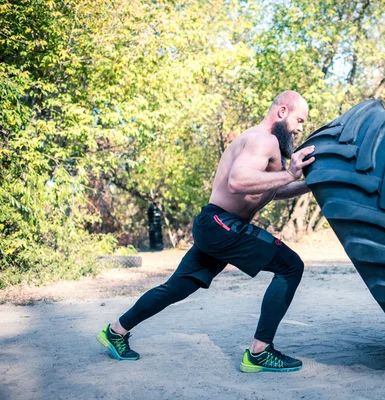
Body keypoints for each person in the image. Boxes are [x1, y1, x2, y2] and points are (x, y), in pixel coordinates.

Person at [96, 90, 316, 373]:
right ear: (282, 111)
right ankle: (259, 352)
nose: (299, 128)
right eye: (299, 120)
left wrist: (311, 184)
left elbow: (271, 189)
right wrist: (290, 173)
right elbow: (238, 181)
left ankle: (116, 331)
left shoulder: (263, 144)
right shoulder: (264, 139)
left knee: (176, 287)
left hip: (214, 226)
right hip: (222, 225)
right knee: (290, 266)